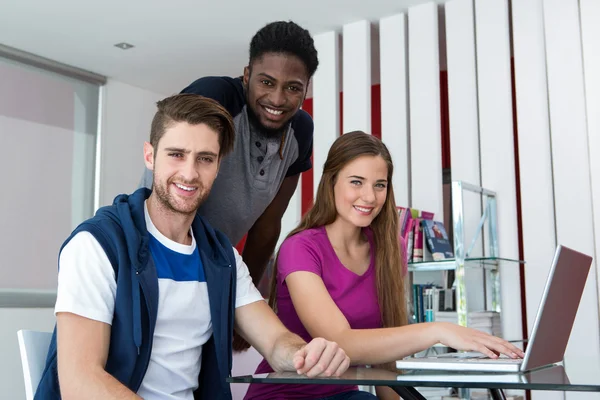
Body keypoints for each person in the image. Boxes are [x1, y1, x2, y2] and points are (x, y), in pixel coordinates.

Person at [35, 94, 350, 400]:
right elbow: (81, 382)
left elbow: (276, 341)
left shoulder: (222, 257)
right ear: (149, 155)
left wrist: (305, 354)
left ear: (218, 166)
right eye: (176, 154)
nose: (189, 173)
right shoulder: (97, 245)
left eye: (205, 159)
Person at [244, 131, 525, 400]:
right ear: (331, 182)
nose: (369, 197)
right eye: (356, 182)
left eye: (380, 185)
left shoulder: (392, 249)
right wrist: (439, 330)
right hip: (284, 394)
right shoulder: (300, 248)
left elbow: (390, 354)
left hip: (344, 394)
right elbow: (340, 341)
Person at [140, 20, 317, 290]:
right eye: (266, 82)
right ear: (247, 75)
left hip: (211, 272)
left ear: (306, 88)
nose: (278, 99)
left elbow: (268, 226)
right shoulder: (215, 97)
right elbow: (166, 188)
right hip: (151, 257)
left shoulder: (300, 132)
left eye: (293, 87)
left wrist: (244, 296)